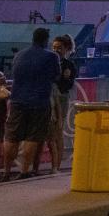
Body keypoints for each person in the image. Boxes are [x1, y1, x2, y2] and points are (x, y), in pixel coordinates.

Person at [1, 28, 60, 180]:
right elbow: (56, 76)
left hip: (17, 99)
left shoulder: (19, 55)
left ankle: (6, 171)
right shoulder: (51, 56)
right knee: (32, 138)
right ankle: (24, 170)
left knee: (12, 137)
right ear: (46, 39)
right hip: (39, 101)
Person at [47, 35, 77, 173]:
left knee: (57, 131)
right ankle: (54, 165)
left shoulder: (69, 65)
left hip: (61, 99)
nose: (56, 50)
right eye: (54, 47)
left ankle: (56, 166)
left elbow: (67, 85)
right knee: (50, 134)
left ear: (66, 49)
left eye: (59, 47)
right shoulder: (48, 61)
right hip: (48, 99)